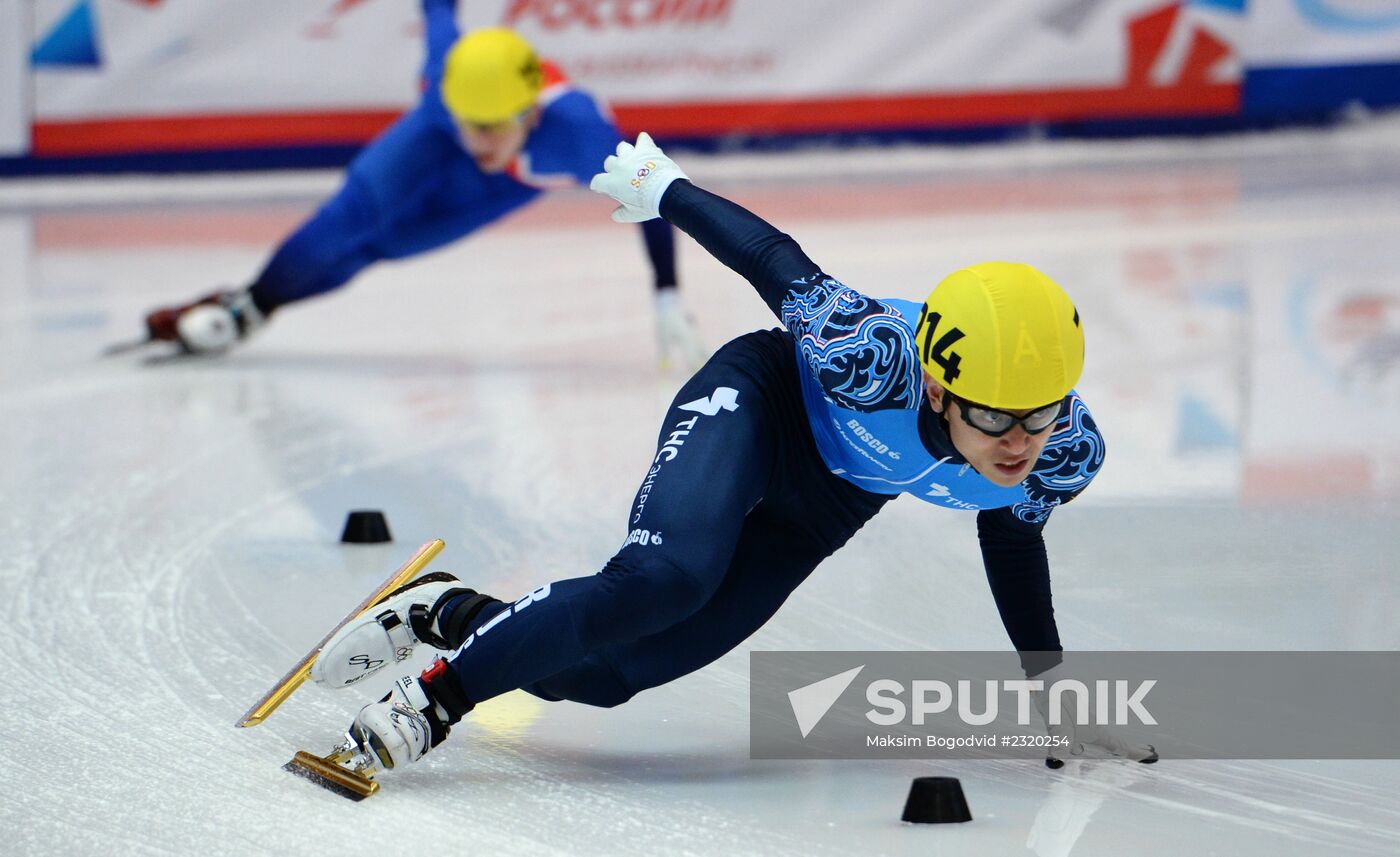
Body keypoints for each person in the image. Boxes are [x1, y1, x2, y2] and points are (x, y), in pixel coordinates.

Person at [305, 134, 1156, 771]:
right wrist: (664, 188)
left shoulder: (1064, 453)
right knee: (663, 580)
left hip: (830, 502)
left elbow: (1012, 541)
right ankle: (432, 700)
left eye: (1039, 414)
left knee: (605, 675)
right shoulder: (869, 355)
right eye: (994, 416)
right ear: (935, 387)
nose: (1018, 442)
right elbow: (772, 260)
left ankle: (443, 613)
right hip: (763, 403)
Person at [141, 1, 704, 369]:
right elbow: (439, 10)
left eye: (492, 128)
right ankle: (250, 305)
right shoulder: (446, 85)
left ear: (529, 114)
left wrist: (666, 291)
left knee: (380, 245)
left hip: (507, 185)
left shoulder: (580, 136)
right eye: (471, 124)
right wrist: (454, 121)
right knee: (351, 214)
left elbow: (653, 198)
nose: (478, 139)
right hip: (429, 136)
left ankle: (256, 304)